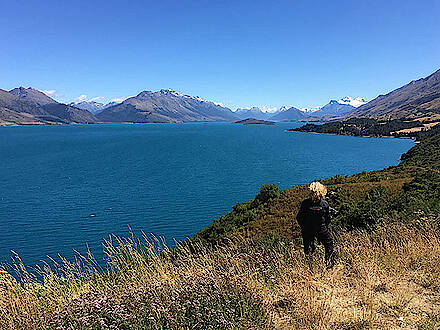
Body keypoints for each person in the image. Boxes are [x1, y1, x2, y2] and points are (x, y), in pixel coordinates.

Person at [296, 181, 335, 267]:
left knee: (308, 248)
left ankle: (310, 267)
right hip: (321, 229)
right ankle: (329, 265)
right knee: (329, 244)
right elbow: (328, 218)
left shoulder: (305, 203)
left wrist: (304, 227)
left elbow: (299, 217)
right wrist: (324, 226)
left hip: (307, 229)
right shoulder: (324, 204)